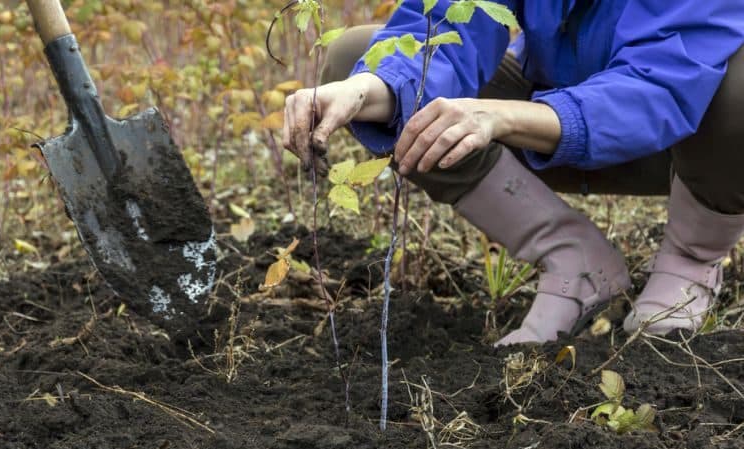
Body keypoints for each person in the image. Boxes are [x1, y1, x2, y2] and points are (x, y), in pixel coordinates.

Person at [281, 0, 744, 345]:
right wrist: (368, 89)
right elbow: (449, 19)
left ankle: (690, 259)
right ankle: (573, 255)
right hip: (551, 120)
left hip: (682, 141)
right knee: (356, 58)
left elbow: (659, 88)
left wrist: (502, 117)